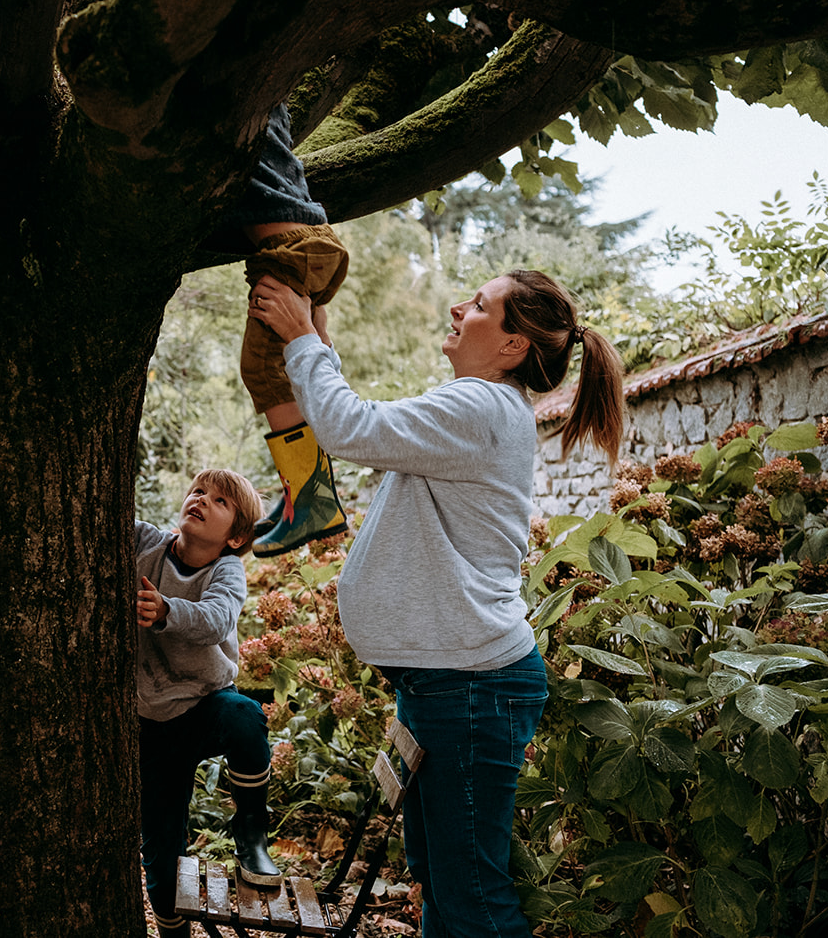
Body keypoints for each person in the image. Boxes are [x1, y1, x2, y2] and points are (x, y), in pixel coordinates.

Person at [249, 268, 626, 938]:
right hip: (446, 685)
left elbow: (350, 427)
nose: (458, 306)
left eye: (480, 304)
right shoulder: (476, 406)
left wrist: (304, 337)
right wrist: (316, 345)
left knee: (474, 901)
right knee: (444, 886)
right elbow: (363, 423)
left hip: (470, 689)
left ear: (513, 345)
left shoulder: (480, 407)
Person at [135, 468, 278, 938]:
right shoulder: (147, 544)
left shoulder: (227, 570)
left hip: (204, 704)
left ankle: (252, 835)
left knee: (245, 717)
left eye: (220, 501)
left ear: (236, 537)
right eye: (198, 491)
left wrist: (166, 611)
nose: (202, 499)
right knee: (161, 851)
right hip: (152, 722)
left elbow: (217, 619)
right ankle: (174, 930)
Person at [216, 104, 350, 558]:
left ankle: (311, 498)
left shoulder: (249, 99)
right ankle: (304, 492)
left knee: (265, 368)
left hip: (292, 250)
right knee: (275, 369)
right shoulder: (265, 107)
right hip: (300, 247)